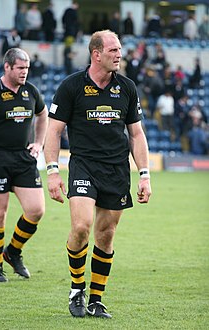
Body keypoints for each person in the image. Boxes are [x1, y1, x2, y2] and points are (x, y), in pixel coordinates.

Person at [44, 30, 151, 318]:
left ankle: (96, 299)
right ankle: (77, 290)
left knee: (105, 236)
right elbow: (53, 131)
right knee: (81, 227)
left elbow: (136, 135)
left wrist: (144, 175)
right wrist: (53, 172)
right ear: (96, 54)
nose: (119, 54)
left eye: (120, 50)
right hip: (83, 166)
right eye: (114, 50)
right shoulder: (71, 87)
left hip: (116, 170)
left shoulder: (127, 88)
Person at [0, 48, 48, 282]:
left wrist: (39, 143)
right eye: (20, 68)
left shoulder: (30, 91)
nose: (25, 72)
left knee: (36, 210)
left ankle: (12, 252)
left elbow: (43, 115)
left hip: (23, 158)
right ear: (7, 67)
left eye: (27, 68)